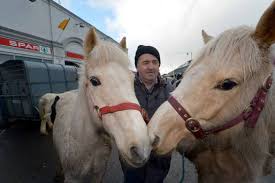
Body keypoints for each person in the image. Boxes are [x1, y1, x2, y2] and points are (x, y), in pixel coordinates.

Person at [120, 45, 175, 183]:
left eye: (155, 62)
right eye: (145, 63)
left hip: (159, 154)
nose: (151, 67)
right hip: (133, 152)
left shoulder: (170, 89)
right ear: (137, 66)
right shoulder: (125, 87)